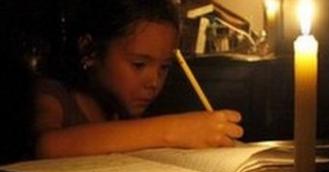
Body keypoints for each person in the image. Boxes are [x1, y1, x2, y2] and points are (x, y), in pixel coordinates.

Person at [34, 0, 244, 159]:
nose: (153, 82)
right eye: (139, 65)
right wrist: (174, 130)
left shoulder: (120, 111)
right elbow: (46, 145)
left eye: (164, 67)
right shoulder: (50, 95)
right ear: (89, 51)